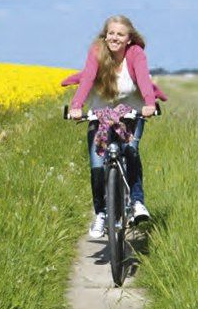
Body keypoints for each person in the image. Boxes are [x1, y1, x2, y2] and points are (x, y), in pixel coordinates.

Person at [64, 15, 166, 239]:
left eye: (120, 34)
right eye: (111, 33)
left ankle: (137, 202)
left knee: (130, 150)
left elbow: (143, 80)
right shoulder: (97, 51)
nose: (114, 37)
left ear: (129, 39)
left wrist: (149, 104)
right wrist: (76, 107)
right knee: (97, 165)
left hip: (132, 111)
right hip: (100, 113)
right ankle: (101, 213)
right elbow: (88, 79)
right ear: (105, 34)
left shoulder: (135, 54)